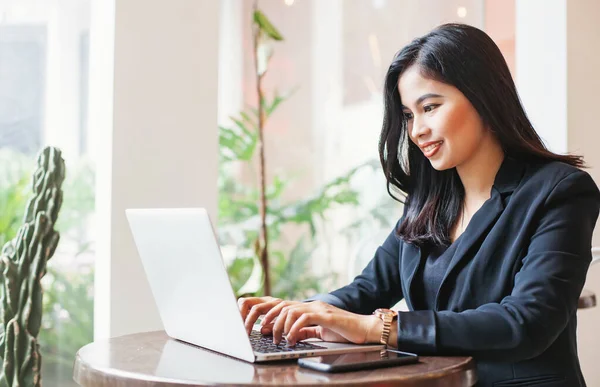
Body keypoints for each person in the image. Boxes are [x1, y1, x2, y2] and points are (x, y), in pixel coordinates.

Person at [237, 23, 600, 387]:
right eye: (409, 115)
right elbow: (368, 288)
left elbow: (527, 321)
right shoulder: (429, 201)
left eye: (430, 107)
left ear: (483, 96)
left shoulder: (559, 191)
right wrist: (299, 313)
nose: (416, 130)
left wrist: (376, 328)